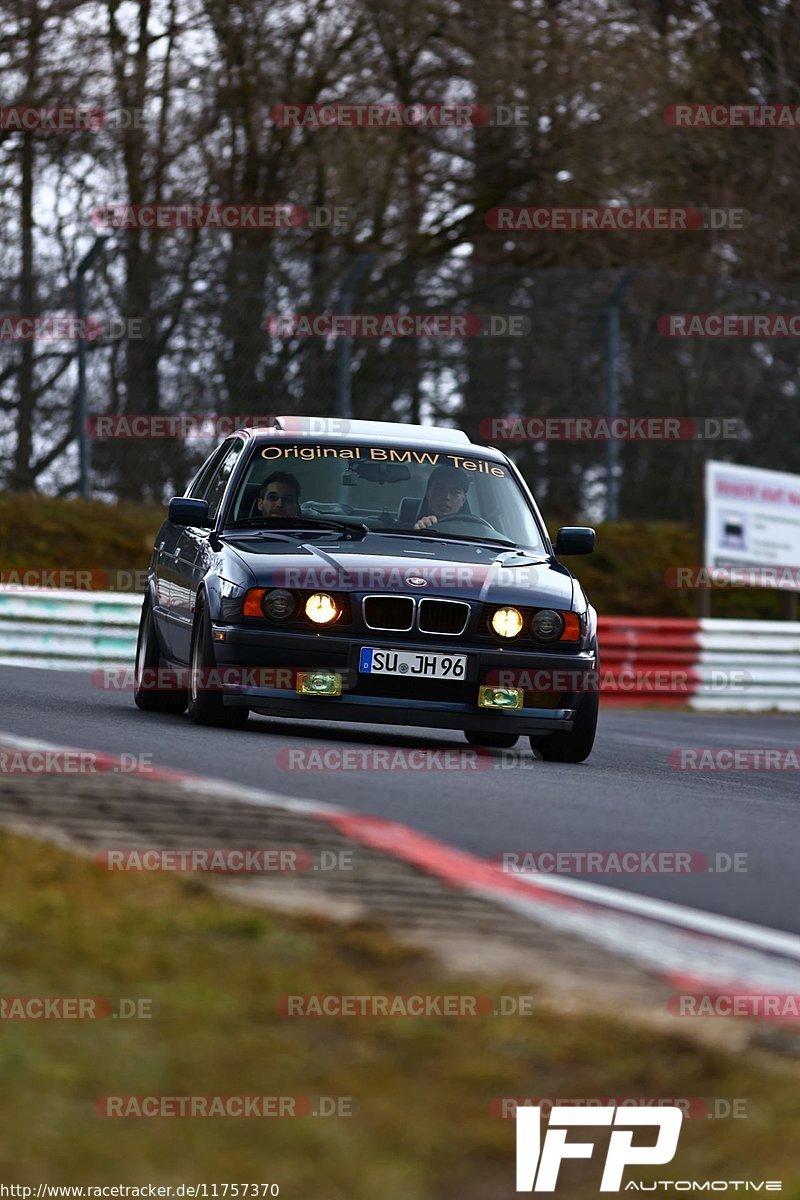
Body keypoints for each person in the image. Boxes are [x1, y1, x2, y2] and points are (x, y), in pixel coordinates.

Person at [414, 464, 469, 529]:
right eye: (440, 489)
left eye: (455, 492)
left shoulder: (475, 532)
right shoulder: (407, 530)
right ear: (428, 493)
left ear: (463, 500)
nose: (447, 497)